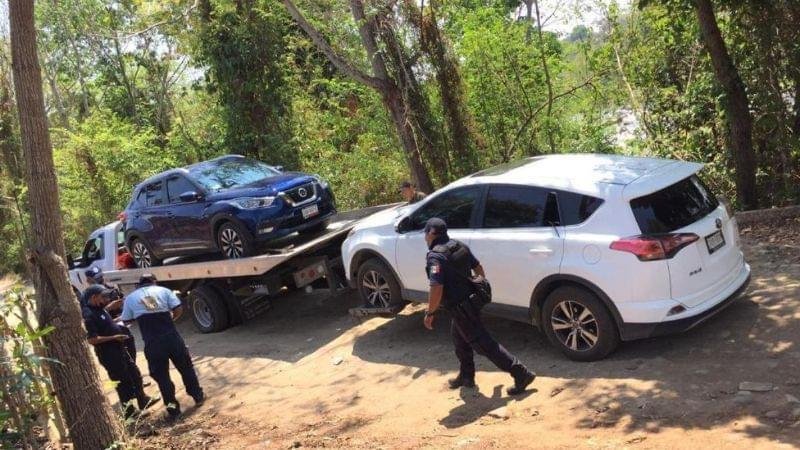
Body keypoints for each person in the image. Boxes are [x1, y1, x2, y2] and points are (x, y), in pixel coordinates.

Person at [422, 217, 536, 395]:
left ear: (431, 233)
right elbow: (478, 268)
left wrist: (430, 313)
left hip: (461, 307)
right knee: (459, 338)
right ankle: (467, 376)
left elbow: (436, 287)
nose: (424, 236)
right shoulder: (458, 246)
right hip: (470, 303)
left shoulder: (435, 257)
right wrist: (476, 287)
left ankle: (521, 373)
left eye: (425, 232)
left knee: (484, 344)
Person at [121, 274, 204, 420]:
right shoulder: (164, 291)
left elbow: (126, 319)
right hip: (172, 337)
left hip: (152, 342)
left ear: (138, 285)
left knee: (162, 376)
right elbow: (178, 308)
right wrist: (171, 319)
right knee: (186, 367)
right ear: (154, 282)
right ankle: (197, 396)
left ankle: (173, 410)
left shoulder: (131, 298)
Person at [81, 285, 157, 418]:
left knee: (135, 374)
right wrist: (114, 337)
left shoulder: (99, 309)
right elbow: (92, 339)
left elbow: (105, 319)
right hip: (109, 354)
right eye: (102, 297)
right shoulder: (88, 315)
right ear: (93, 297)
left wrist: (117, 317)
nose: (105, 299)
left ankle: (142, 399)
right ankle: (130, 413)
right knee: (123, 383)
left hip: (119, 349)